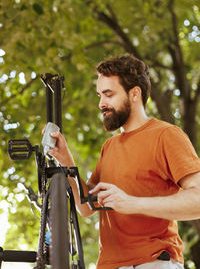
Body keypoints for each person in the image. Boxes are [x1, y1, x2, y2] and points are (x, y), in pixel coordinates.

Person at [49, 55, 200, 269]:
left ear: (134, 94)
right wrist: (66, 160)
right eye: (99, 95)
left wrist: (132, 203)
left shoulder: (166, 135)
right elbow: (87, 207)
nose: (101, 103)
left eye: (109, 94)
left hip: (153, 262)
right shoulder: (109, 147)